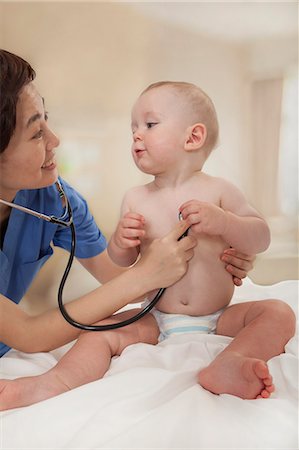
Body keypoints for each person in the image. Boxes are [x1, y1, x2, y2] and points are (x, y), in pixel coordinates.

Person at [0, 53, 254, 409]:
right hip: (18, 342)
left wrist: (215, 256)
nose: (55, 140)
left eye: (48, 120)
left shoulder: (54, 199)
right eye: (36, 132)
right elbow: (28, 333)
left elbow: (116, 275)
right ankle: (48, 384)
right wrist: (147, 272)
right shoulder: (135, 196)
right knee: (99, 337)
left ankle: (233, 362)